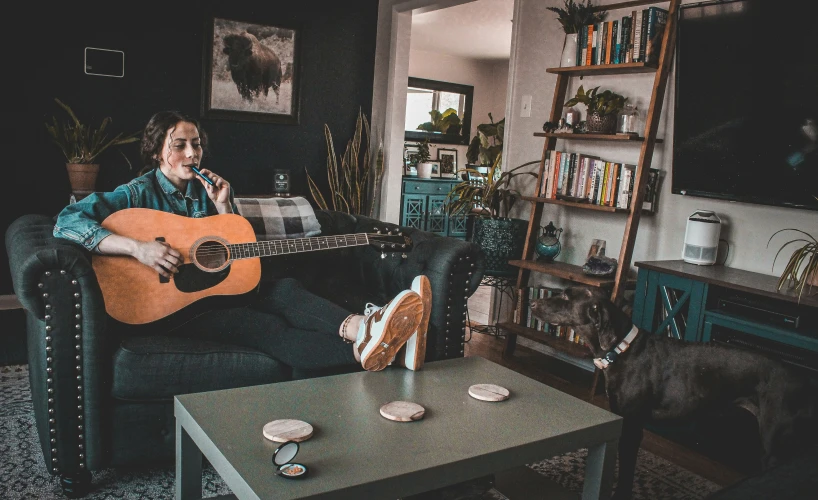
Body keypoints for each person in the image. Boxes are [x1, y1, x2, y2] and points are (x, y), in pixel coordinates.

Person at [53, 110, 431, 372]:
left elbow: (234, 253)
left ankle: (368, 336)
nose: (191, 153)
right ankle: (376, 335)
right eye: (179, 144)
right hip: (166, 309)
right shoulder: (136, 194)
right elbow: (67, 220)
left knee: (282, 289)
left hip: (215, 293)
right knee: (267, 329)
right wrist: (138, 248)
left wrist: (223, 208)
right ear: (157, 152)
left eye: (196, 144)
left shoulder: (207, 193)